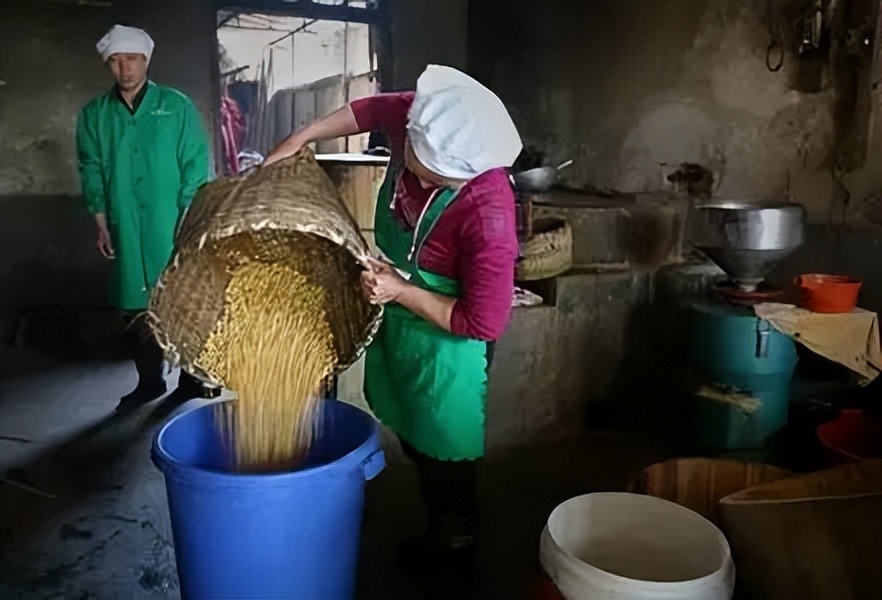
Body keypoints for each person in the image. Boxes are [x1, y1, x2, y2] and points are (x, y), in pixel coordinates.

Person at [265, 65, 522, 568]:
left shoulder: (488, 213)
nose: (418, 177)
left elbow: (483, 322)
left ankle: (456, 535)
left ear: (464, 176)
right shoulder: (425, 116)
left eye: (433, 177)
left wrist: (401, 291)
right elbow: (369, 110)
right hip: (401, 294)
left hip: (448, 330)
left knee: (444, 439)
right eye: (415, 163)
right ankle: (435, 498)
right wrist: (303, 136)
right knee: (410, 420)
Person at [76, 24, 219, 412]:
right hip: (125, 221)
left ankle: (191, 378)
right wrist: (101, 220)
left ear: (146, 61)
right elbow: (90, 168)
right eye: (117, 61)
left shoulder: (177, 106)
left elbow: (195, 162)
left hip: (170, 219)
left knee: (182, 298)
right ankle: (149, 381)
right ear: (109, 65)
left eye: (133, 59)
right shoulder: (94, 115)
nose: (126, 68)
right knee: (137, 305)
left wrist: (189, 213)